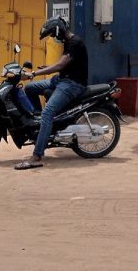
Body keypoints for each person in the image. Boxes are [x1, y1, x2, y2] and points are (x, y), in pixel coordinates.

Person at [14, 17, 88, 170]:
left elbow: (60, 65)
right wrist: (48, 67)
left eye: (53, 34)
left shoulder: (75, 42)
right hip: (61, 80)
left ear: (59, 31)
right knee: (29, 88)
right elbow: (67, 64)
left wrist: (35, 73)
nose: (53, 37)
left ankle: (37, 156)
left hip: (72, 84)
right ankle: (40, 124)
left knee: (48, 112)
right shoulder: (68, 41)